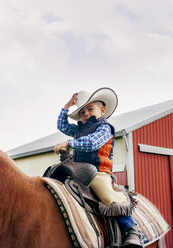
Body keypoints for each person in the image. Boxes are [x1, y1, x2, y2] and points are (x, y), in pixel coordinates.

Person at [54, 87, 143, 248]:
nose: (85, 113)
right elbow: (62, 126)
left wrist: (69, 143)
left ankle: (132, 230)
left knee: (105, 192)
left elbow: (93, 142)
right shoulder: (78, 129)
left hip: (99, 171)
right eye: (81, 112)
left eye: (90, 109)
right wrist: (67, 106)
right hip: (79, 171)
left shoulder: (104, 128)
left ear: (102, 110)